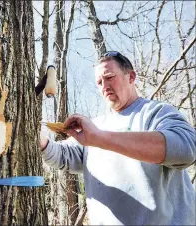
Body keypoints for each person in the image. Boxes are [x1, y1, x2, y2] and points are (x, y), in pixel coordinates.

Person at [40, 51, 196, 225]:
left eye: (109, 77)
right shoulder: (95, 127)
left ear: (131, 76)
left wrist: (100, 138)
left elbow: (186, 149)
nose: (104, 85)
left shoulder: (156, 112)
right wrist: (42, 142)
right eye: (99, 82)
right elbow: (63, 155)